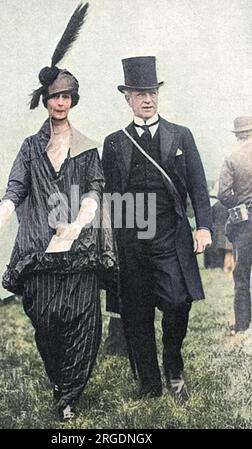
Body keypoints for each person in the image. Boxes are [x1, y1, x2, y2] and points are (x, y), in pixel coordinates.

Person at [0, 3, 117, 421]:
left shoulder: (87, 147)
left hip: (77, 246)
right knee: (45, 320)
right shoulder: (29, 147)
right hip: (38, 248)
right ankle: (59, 381)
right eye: (54, 96)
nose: (60, 102)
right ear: (44, 101)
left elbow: (96, 189)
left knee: (82, 319)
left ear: (73, 100)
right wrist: (2, 212)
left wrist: (79, 224)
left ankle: (69, 398)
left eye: (66, 96)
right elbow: (15, 188)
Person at [102, 56, 212, 397]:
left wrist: (204, 227)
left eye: (151, 92)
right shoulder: (115, 142)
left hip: (169, 234)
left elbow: (197, 184)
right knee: (136, 312)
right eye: (139, 93)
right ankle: (150, 383)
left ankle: (173, 364)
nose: (147, 99)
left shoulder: (180, 135)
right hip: (130, 238)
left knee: (178, 302)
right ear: (127, 98)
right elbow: (107, 194)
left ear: (158, 94)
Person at [218, 116, 252, 343]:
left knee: (242, 276)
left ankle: (242, 325)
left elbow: (222, 195)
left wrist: (241, 203)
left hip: (244, 224)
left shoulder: (232, 158)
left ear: (237, 135)